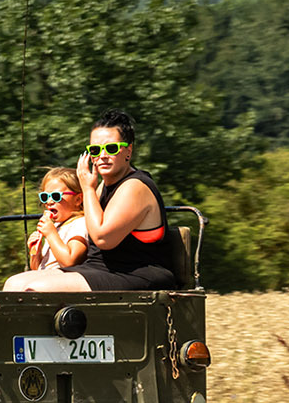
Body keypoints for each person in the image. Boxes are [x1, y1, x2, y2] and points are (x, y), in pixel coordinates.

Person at [10, 109, 175, 291]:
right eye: (95, 150)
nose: (102, 156)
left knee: (37, 289)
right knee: (14, 284)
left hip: (135, 272)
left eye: (111, 148)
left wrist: (87, 188)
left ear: (128, 151)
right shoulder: (103, 186)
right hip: (99, 269)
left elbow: (103, 239)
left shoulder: (136, 186)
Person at [2, 168, 89, 290]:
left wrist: (51, 234)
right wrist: (36, 253)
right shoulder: (55, 227)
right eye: (44, 196)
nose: (49, 202)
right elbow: (38, 268)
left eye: (56, 196)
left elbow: (69, 261)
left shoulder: (80, 223)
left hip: (64, 281)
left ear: (78, 199)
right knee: (12, 285)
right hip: (46, 277)